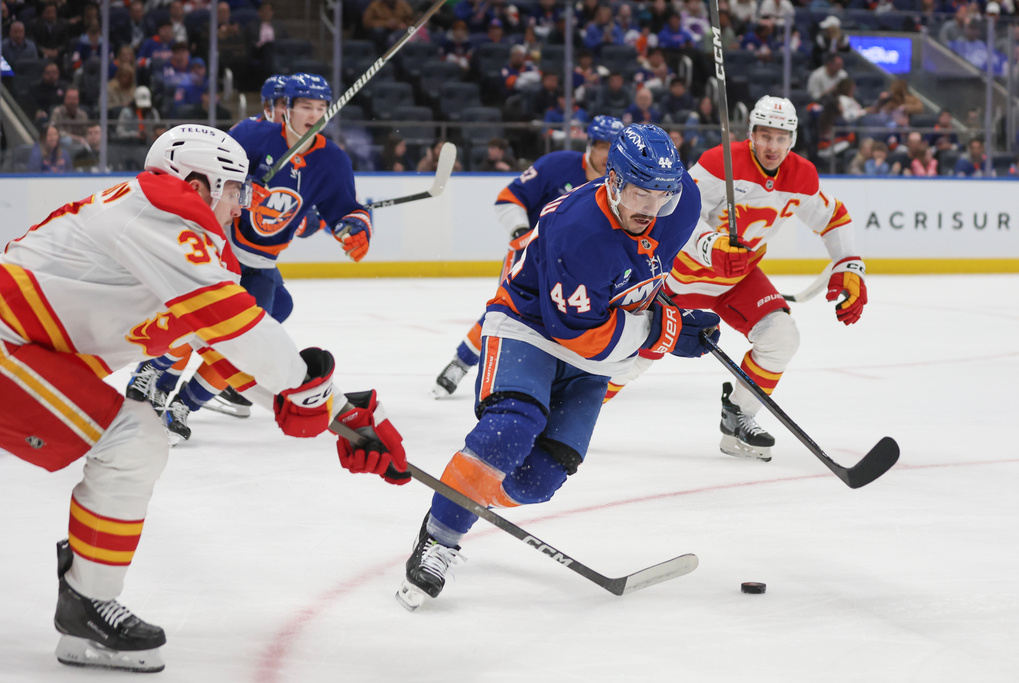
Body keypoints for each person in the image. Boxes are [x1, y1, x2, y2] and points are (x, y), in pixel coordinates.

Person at [0, 123, 406, 672]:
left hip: (21, 351)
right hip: (9, 347)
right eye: (235, 188)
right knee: (133, 436)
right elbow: (235, 324)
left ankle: (85, 603)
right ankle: (86, 601)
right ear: (197, 181)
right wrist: (306, 392)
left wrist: (339, 414)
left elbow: (227, 349)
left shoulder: (172, 235)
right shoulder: (160, 209)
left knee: (137, 435)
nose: (243, 204)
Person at [398, 123, 718, 610]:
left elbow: (653, 264)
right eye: (638, 193)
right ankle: (439, 537)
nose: (650, 209)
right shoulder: (577, 230)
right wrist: (666, 330)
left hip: (595, 333)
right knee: (511, 428)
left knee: (539, 481)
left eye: (661, 196)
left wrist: (678, 295)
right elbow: (585, 337)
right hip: (530, 325)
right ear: (612, 181)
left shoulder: (683, 202)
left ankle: (470, 492)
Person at [605, 97, 867, 463]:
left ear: (792, 139)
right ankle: (570, 409)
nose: (772, 146)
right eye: (765, 136)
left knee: (781, 337)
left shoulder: (802, 175)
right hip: (682, 276)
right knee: (636, 357)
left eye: (781, 138)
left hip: (738, 279)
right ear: (751, 134)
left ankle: (738, 416)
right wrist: (710, 244)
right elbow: (673, 208)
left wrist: (850, 265)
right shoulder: (719, 162)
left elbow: (833, 217)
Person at [127, 74, 374, 443]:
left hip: (260, 265)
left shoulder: (333, 161)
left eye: (320, 108)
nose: (313, 115)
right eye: (305, 106)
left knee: (242, 339)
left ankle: (184, 406)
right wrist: (242, 189)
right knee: (193, 315)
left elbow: (344, 210)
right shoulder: (253, 136)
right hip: (221, 246)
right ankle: (154, 376)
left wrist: (356, 227)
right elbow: (210, 178)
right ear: (285, 110)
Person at [431, 115, 625, 397]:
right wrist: (521, 230)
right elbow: (508, 198)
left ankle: (568, 378)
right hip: (532, 257)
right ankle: (461, 362)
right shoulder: (556, 165)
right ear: (590, 145)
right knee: (507, 311)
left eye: (614, 147)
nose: (607, 154)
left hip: (578, 267)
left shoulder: (622, 184)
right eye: (602, 146)